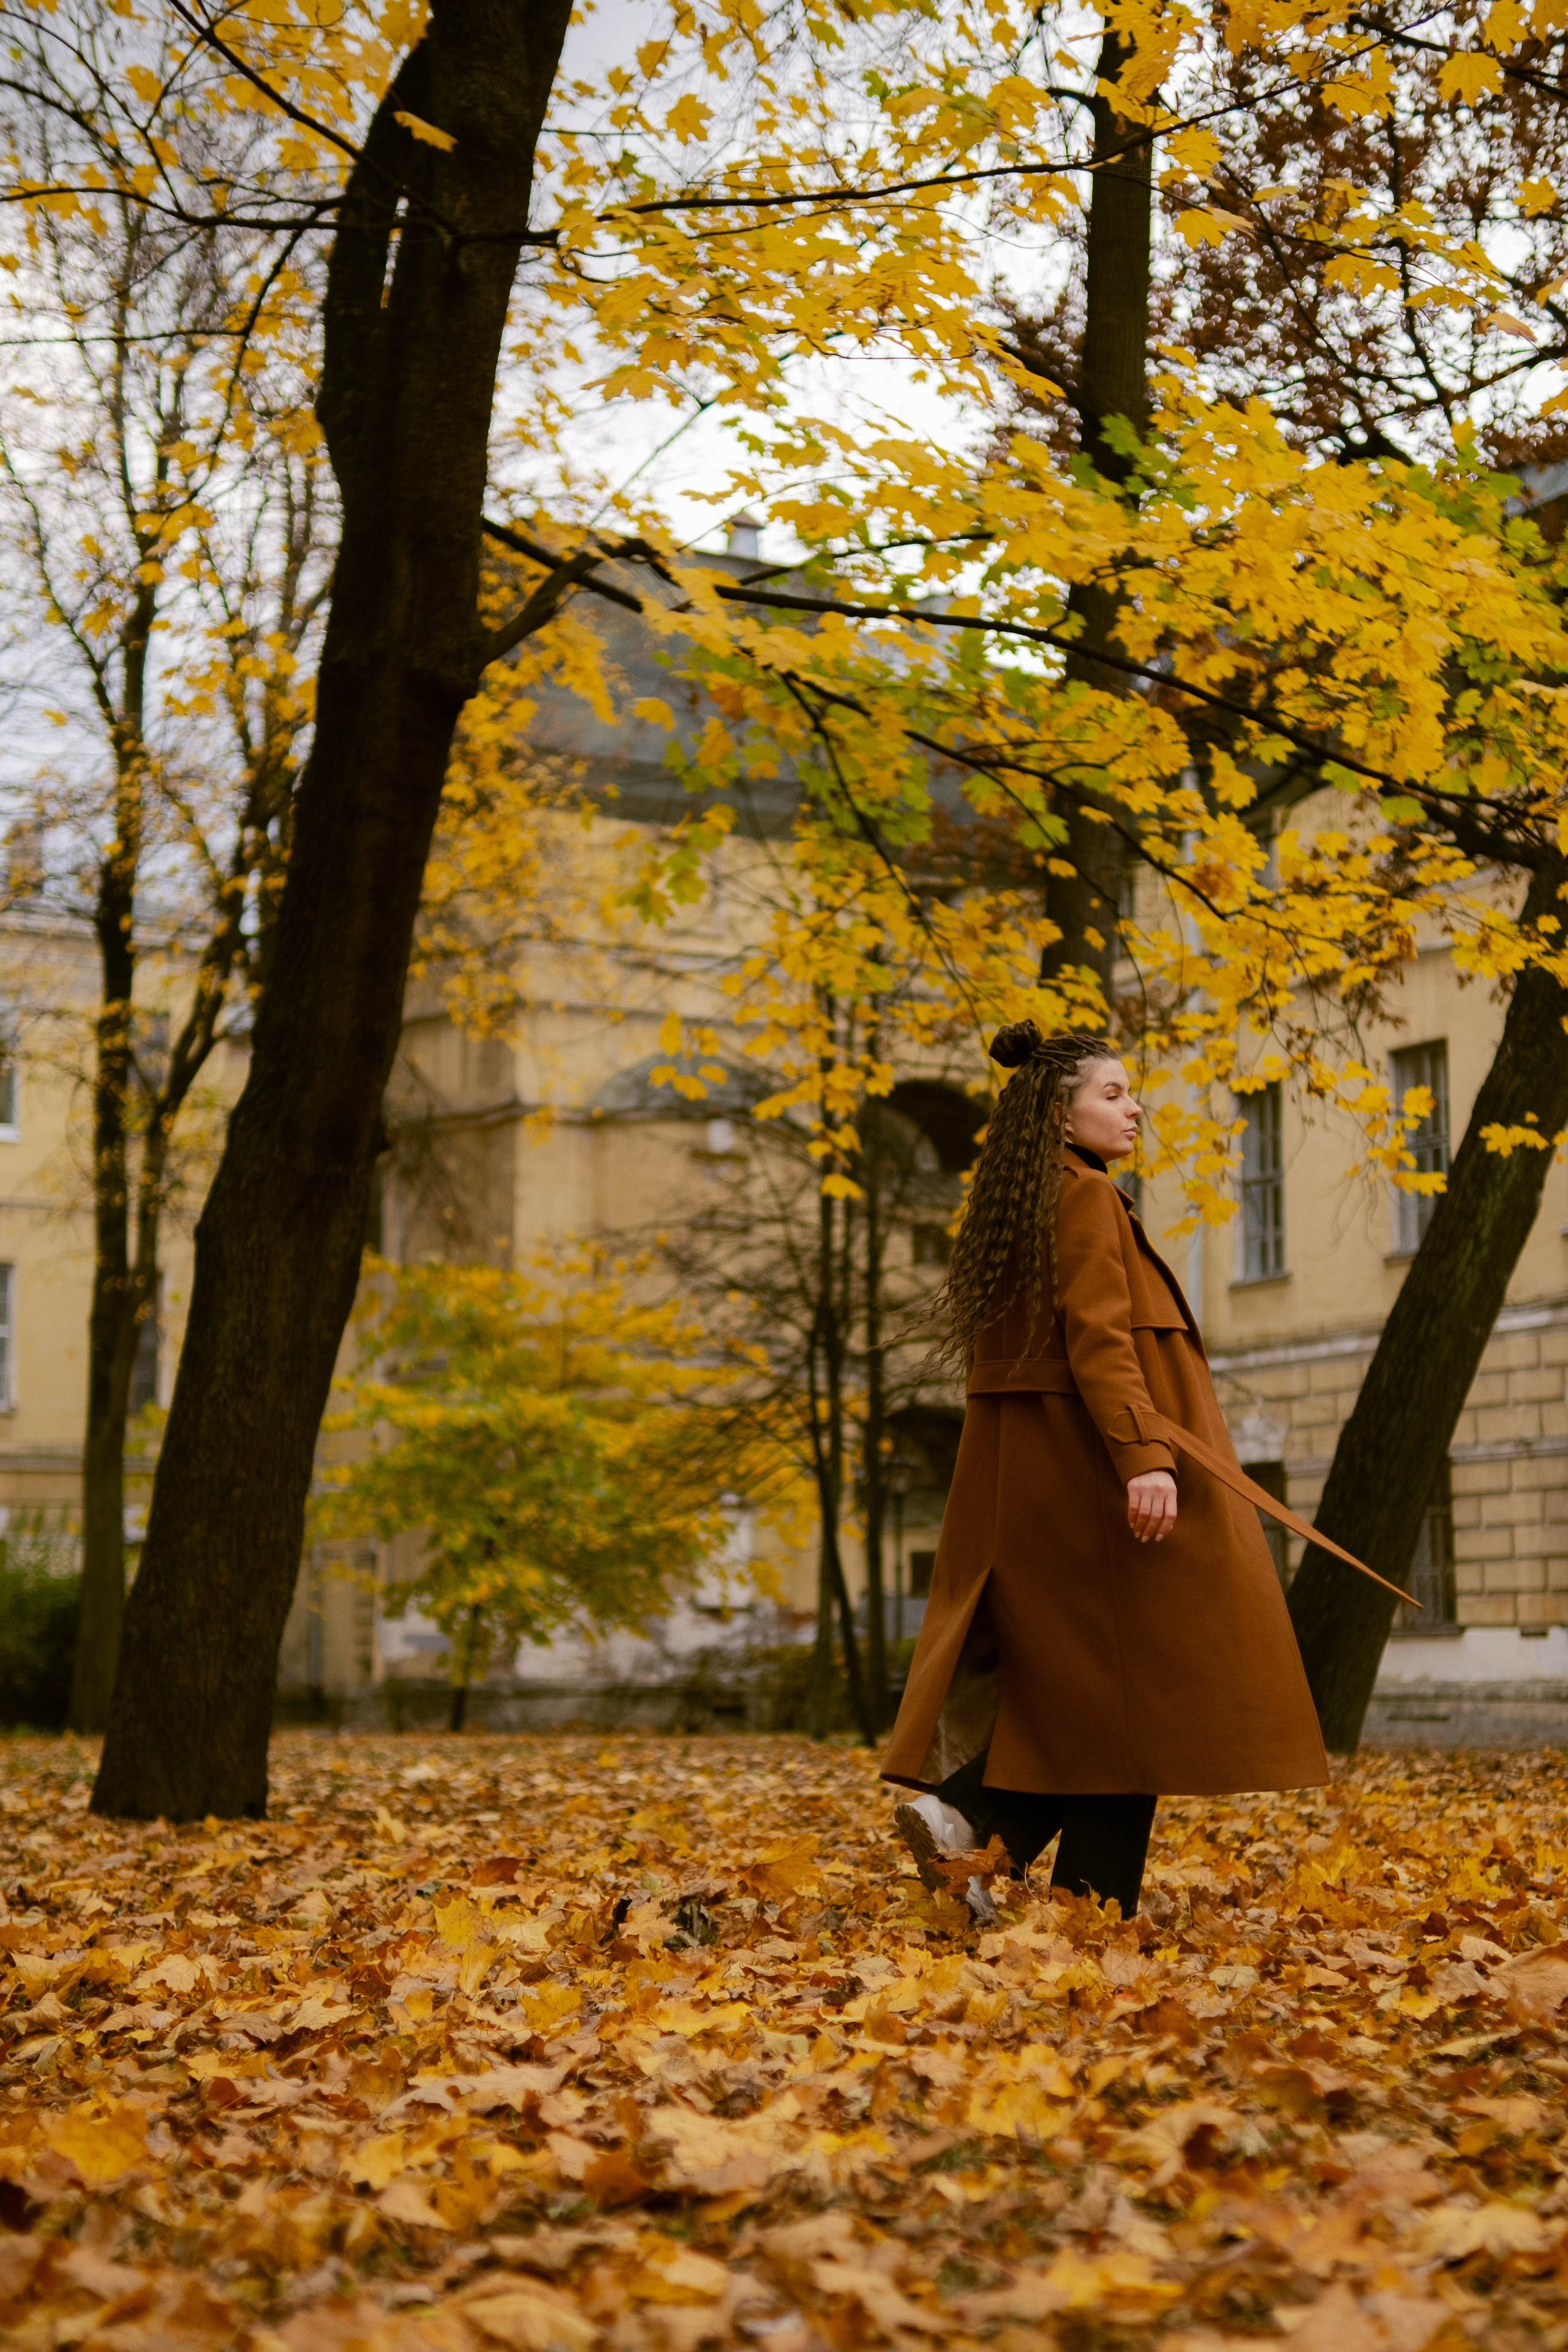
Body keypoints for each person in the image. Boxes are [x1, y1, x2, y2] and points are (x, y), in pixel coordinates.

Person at [881, 1022, 1329, 1922]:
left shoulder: (1028, 1199)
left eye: (1132, 1093)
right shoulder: (1084, 1198)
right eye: (1113, 1094)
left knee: (1108, 1712)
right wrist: (1145, 1460)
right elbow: (1099, 1342)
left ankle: (1044, 1884)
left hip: (1047, 1483)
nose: (1135, 1110)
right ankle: (985, 1829)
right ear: (1060, 1113)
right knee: (1140, 1703)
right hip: (1096, 1484)